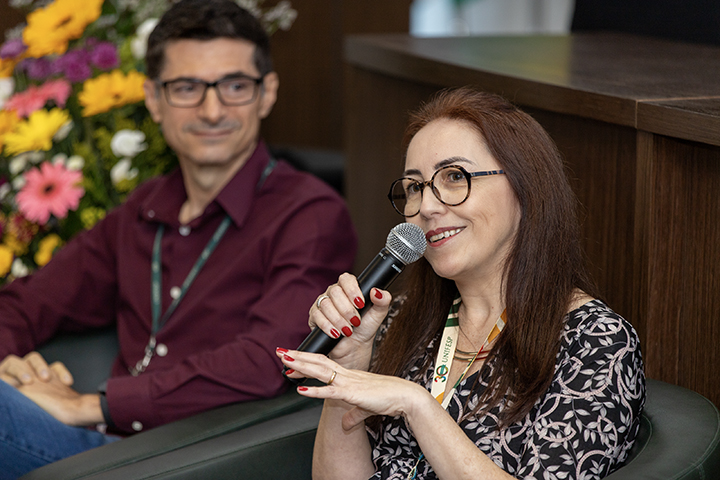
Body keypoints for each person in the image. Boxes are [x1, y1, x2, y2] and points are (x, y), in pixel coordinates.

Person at [0, 0, 356, 477]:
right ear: (153, 98)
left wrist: (92, 405)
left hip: (187, 458)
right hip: (96, 449)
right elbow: (24, 305)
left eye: (234, 86)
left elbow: (268, 360)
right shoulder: (143, 210)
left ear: (266, 93)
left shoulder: (309, 215)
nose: (212, 110)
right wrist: (13, 369)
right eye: (187, 88)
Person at [278, 87, 645, 480]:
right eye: (415, 187)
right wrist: (347, 369)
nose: (429, 207)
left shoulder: (595, 340)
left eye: (454, 177)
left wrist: (417, 405)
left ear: (525, 188)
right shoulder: (398, 319)